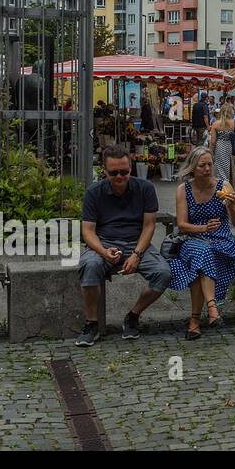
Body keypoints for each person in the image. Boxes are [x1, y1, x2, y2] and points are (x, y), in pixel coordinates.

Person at [76, 146, 171, 345]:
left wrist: (136, 254)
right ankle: (91, 323)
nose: (120, 176)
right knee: (90, 265)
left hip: (136, 243)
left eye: (124, 172)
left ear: (131, 168)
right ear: (104, 171)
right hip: (104, 243)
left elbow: (149, 226)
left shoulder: (145, 188)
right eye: (114, 173)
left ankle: (133, 315)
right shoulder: (94, 192)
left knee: (163, 272)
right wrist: (102, 251)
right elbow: (88, 232)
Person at [169, 146, 235, 340]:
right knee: (202, 252)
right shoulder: (183, 189)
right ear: (192, 167)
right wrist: (203, 228)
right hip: (194, 238)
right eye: (202, 165)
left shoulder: (224, 186)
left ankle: (194, 320)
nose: (208, 169)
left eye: (210, 164)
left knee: (200, 263)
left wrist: (233, 207)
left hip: (222, 241)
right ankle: (212, 306)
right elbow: (182, 225)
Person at [207, 104, 235, 195]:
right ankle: (232, 190)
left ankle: (223, 192)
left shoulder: (215, 124)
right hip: (232, 147)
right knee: (232, 169)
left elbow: (212, 142)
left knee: (221, 170)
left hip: (220, 147)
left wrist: (209, 153)